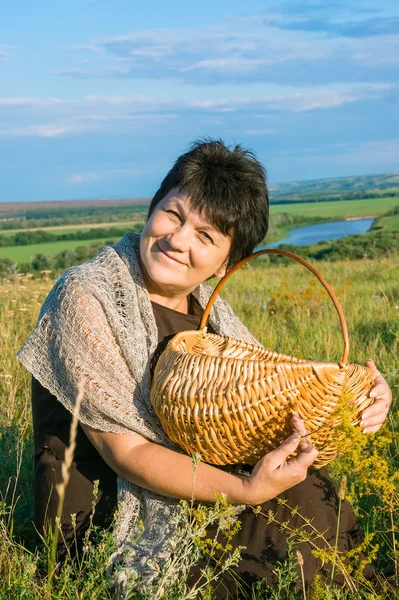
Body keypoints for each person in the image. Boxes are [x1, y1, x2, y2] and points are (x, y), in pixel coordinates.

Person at [17, 139, 392, 598]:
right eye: (173, 215)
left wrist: (363, 400)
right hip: (106, 510)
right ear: (152, 207)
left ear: (227, 262)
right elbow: (127, 454)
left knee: (307, 491)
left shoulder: (212, 315)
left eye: (205, 236)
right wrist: (248, 489)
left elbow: (274, 402)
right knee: (277, 532)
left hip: (199, 481)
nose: (178, 240)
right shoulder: (87, 297)